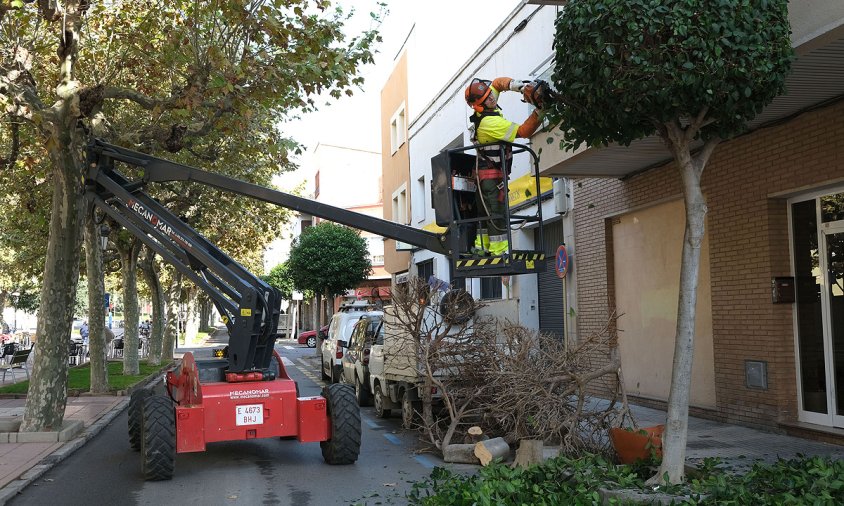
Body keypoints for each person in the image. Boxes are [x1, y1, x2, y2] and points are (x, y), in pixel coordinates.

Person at [464, 77, 544, 256]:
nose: (492, 97)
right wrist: (540, 111)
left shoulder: (486, 102)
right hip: (492, 178)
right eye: (487, 98)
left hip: (486, 176)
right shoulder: (489, 123)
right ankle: (499, 251)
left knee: (485, 214)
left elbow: (498, 83)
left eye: (489, 94)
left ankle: (482, 247)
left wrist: (519, 86)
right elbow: (523, 131)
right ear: (479, 106)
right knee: (497, 214)